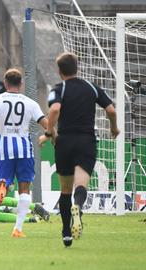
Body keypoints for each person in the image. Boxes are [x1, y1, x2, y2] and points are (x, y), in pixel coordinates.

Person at [39, 52, 119, 247]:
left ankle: (66, 233)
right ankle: (79, 206)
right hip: (86, 141)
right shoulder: (91, 87)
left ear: (59, 71)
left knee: (65, 190)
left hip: (65, 141)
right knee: (81, 185)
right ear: (78, 68)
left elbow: (55, 109)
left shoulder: (60, 88)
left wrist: (49, 133)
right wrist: (113, 127)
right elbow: (111, 110)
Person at [0, 68, 48, 238]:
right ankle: (18, 229)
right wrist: (51, 135)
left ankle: (3, 185)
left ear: (5, 83)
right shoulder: (30, 103)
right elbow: (46, 123)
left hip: (4, 150)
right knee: (24, 190)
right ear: (21, 84)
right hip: (25, 149)